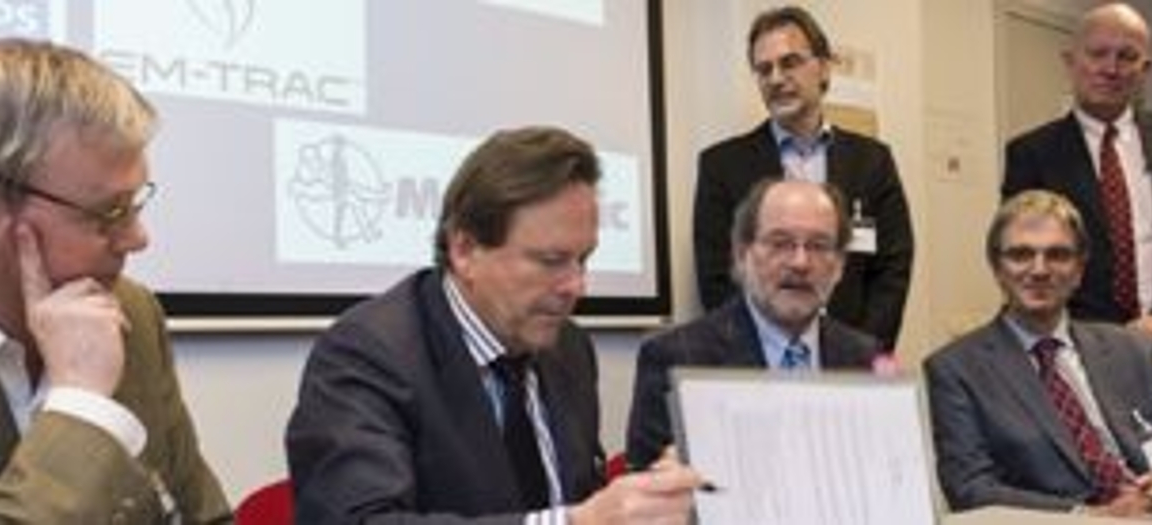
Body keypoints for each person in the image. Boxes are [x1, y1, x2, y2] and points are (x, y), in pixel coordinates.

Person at [285, 126, 702, 524]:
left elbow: (580, 501)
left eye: (583, 259)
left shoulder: (570, 348)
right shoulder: (368, 353)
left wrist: (647, 502)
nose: (577, 286)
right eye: (551, 261)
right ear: (465, 250)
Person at [0, 40, 229, 522]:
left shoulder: (129, 312)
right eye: (109, 212)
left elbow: (202, 515)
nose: (138, 239)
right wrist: (80, 406)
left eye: (135, 205)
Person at [926, 189, 1152, 519]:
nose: (1039, 269)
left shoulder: (1136, 351)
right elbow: (970, 488)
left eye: (1058, 255)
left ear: (1079, 270)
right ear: (997, 268)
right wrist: (1094, 515)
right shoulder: (957, 369)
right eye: (1021, 254)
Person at [693, 4, 914, 350]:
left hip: (851, 362)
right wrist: (761, 354)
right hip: (757, 363)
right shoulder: (721, 166)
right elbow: (717, 279)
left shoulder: (872, 161)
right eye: (764, 69)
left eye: (790, 62)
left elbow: (892, 270)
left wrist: (861, 353)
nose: (775, 79)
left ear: (823, 68)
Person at [1003, 3, 1152, 394]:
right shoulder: (1031, 154)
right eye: (1098, 53)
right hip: (1077, 363)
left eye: (1127, 56)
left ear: (1146, 69)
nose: (1111, 68)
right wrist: (1099, 343)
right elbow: (1027, 262)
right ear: (1070, 61)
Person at [627, 179, 881, 468]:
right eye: (780, 243)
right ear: (741, 254)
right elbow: (647, 485)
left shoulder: (865, 359)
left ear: (840, 265)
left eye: (818, 246)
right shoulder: (676, 359)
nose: (800, 263)